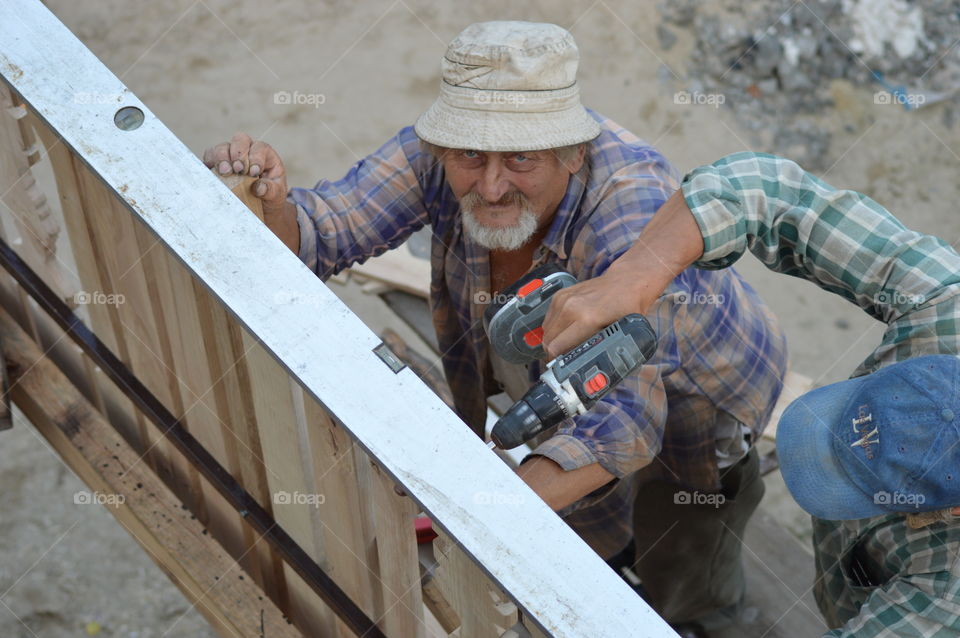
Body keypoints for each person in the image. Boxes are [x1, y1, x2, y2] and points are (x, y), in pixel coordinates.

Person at [203, 23, 787, 635]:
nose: (490, 186)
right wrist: (269, 208)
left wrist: (491, 513)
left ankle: (705, 619)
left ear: (574, 152)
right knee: (589, 526)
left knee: (690, 549)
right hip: (577, 381)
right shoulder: (442, 153)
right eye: (470, 156)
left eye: (522, 160)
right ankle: (606, 564)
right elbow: (328, 230)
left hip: (703, 388)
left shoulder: (629, 212)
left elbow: (625, 421)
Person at [542, 150, 960, 636]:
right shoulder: (947, 314)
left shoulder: (946, 598)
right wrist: (634, 276)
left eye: (857, 482)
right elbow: (763, 188)